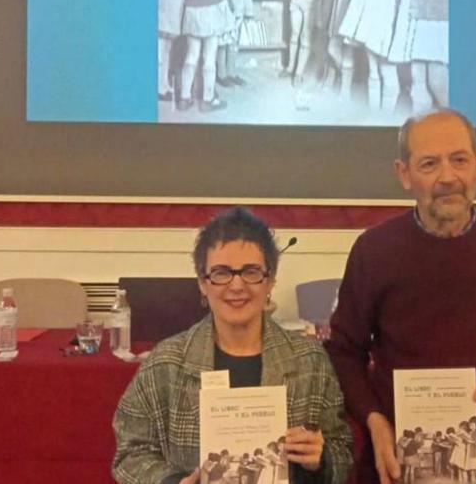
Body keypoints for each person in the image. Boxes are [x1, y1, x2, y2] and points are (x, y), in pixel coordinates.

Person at [324, 108, 476, 484]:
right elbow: (344, 351)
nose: (447, 177)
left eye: (459, 160)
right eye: (429, 164)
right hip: (401, 467)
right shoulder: (373, 251)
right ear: (404, 174)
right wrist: (373, 421)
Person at [112, 206, 353, 484]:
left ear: (270, 280)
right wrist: (171, 482)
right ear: (203, 283)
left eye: (251, 272)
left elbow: (343, 451)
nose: (237, 286)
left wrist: (322, 460)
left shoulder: (311, 361)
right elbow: (129, 454)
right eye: (222, 272)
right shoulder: (166, 363)